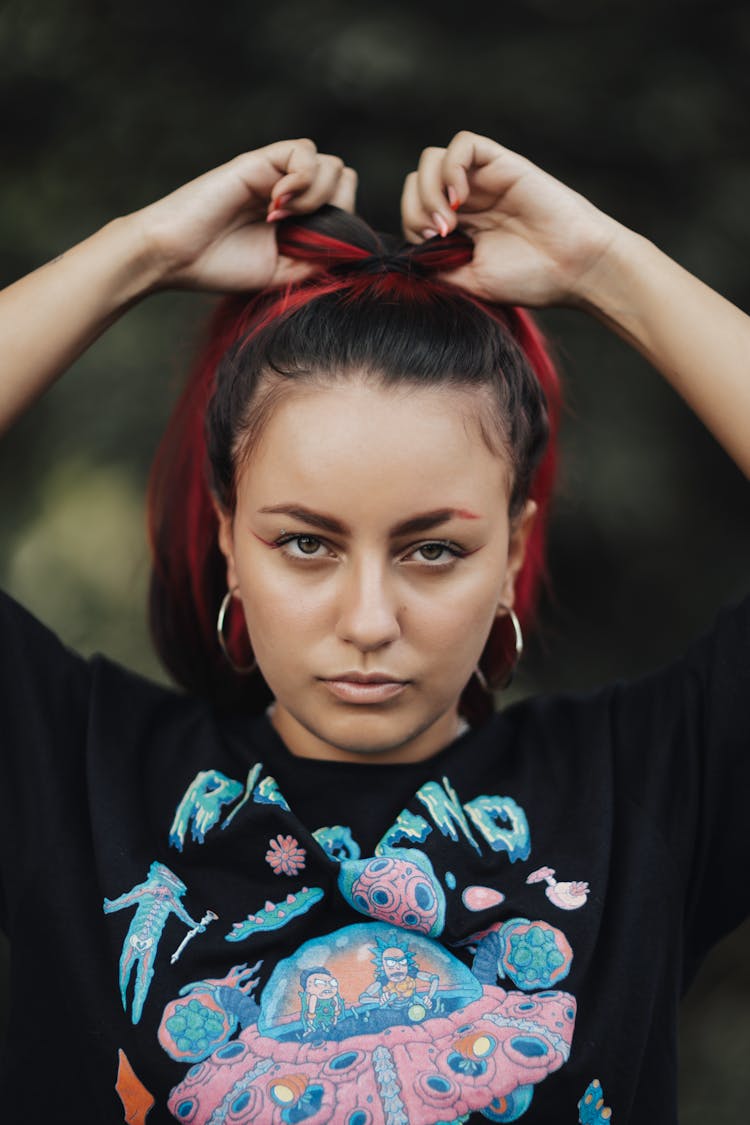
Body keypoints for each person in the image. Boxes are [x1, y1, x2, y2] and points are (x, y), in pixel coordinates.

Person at [0, 131, 748, 1123]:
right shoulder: (68, 773)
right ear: (229, 537)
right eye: (306, 544)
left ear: (514, 552)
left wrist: (603, 264)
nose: (368, 620)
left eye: (432, 549)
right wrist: (142, 252)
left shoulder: (651, 789)